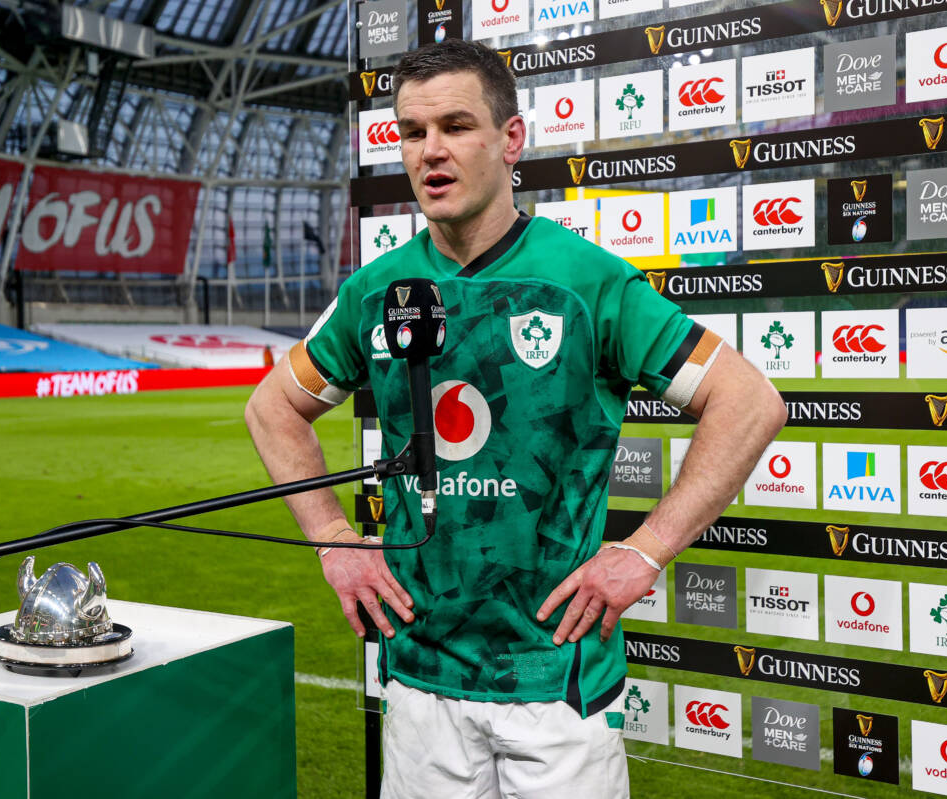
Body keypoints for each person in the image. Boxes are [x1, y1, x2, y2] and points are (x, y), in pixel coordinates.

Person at [245, 38, 786, 799]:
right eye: (411, 131)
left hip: (555, 684)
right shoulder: (378, 290)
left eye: (456, 126)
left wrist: (647, 551)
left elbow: (749, 401)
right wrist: (334, 539)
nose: (430, 150)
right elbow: (272, 407)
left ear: (511, 140)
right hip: (421, 677)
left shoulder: (586, 282)